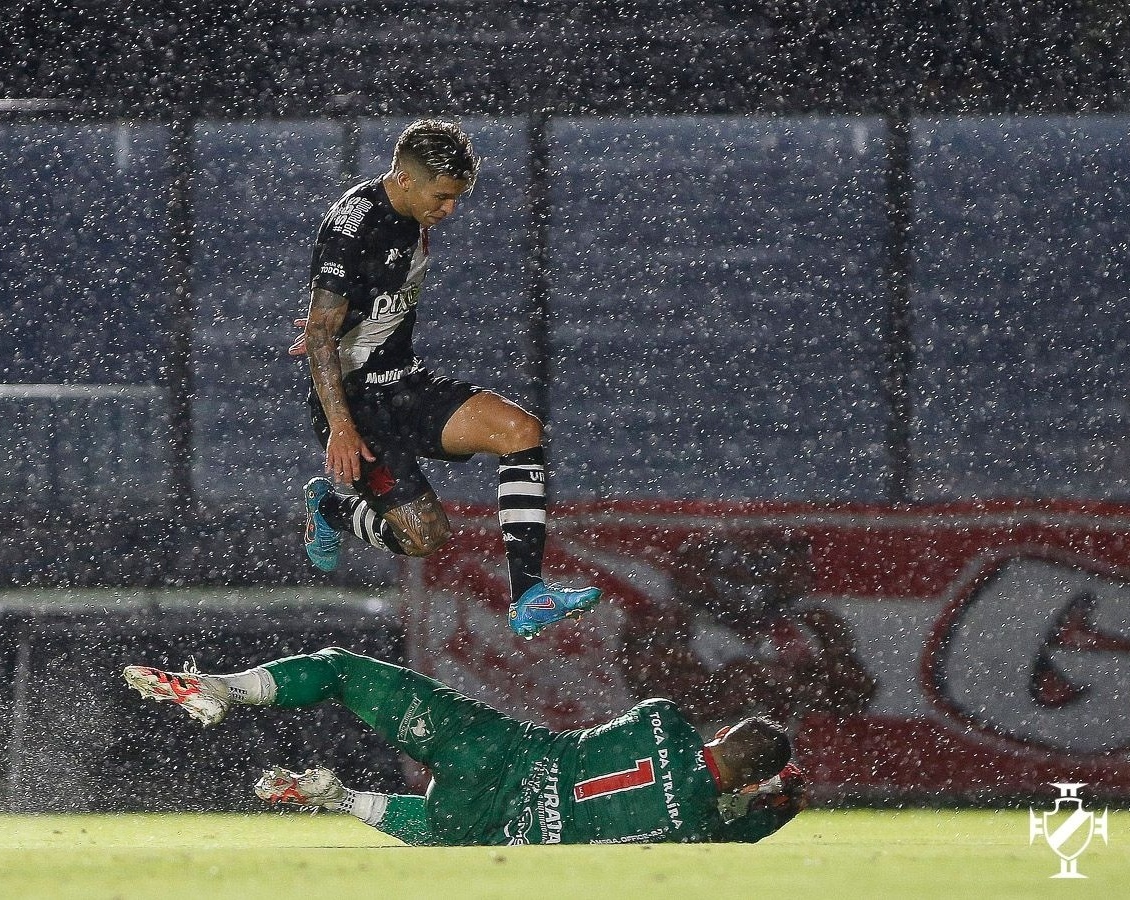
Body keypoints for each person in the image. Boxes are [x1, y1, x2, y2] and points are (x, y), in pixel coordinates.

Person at [289, 118, 598, 639]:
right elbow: (319, 335)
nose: (449, 209)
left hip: (404, 382)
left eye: (457, 197)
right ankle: (335, 509)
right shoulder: (353, 225)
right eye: (443, 196)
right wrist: (341, 428)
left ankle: (528, 595)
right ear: (405, 179)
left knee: (521, 432)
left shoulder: (412, 214)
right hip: (356, 404)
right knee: (424, 537)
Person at [124, 652, 807, 847]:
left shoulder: (666, 720)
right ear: (750, 784)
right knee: (442, 836)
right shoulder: (697, 826)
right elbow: (746, 829)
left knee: (339, 671)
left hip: (497, 749)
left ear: (722, 733)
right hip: (510, 824)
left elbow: (670, 748)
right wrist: (775, 802)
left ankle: (222, 687)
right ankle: (341, 798)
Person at [620, 531, 876, 730]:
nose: (749, 584)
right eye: (732, 571)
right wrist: (745, 679)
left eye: (760, 568)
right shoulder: (667, 625)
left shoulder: (811, 625)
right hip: (695, 758)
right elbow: (660, 703)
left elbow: (855, 693)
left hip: (780, 760)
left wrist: (793, 681)